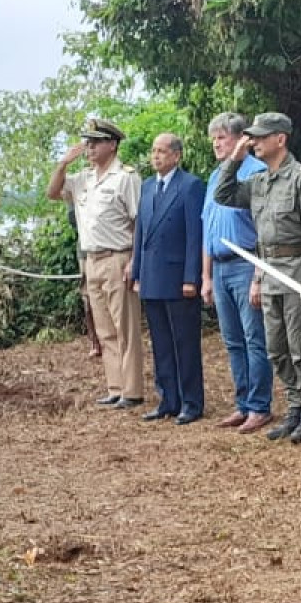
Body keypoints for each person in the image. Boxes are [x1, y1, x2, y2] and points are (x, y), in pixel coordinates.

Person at [214, 112, 301, 444]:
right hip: (269, 272)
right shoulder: (258, 182)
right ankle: (294, 408)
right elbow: (223, 196)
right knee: (276, 347)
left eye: (260, 136)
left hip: (297, 271)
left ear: (280, 139)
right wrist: (234, 161)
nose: (252, 141)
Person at [47, 117, 144, 409]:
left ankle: (133, 390)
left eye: (95, 142)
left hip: (118, 257)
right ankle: (115, 387)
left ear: (111, 145)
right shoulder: (83, 179)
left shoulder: (126, 177)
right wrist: (63, 164)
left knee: (125, 327)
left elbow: (139, 222)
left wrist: (134, 263)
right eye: (86, 142)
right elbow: (52, 193)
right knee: (104, 329)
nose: (88, 148)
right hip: (91, 259)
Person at [201, 113, 273, 434]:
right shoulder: (216, 175)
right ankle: (242, 403)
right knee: (232, 341)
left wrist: (260, 274)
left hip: (246, 264)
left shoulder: (257, 173)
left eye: (223, 137)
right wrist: (205, 276)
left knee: (254, 338)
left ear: (241, 139)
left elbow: (265, 230)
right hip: (219, 266)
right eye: (214, 137)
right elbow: (208, 227)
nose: (217, 143)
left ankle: (260, 406)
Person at [132, 132, 208, 424]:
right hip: (152, 277)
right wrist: (137, 272)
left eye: (162, 151)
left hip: (179, 278)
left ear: (176, 155)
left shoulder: (190, 186)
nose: (156, 156)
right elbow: (140, 234)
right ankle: (168, 399)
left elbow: (193, 235)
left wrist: (192, 277)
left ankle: (191, 402)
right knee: (161, 343)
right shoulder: (148, 186)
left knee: (184, 342)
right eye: (154, 151)